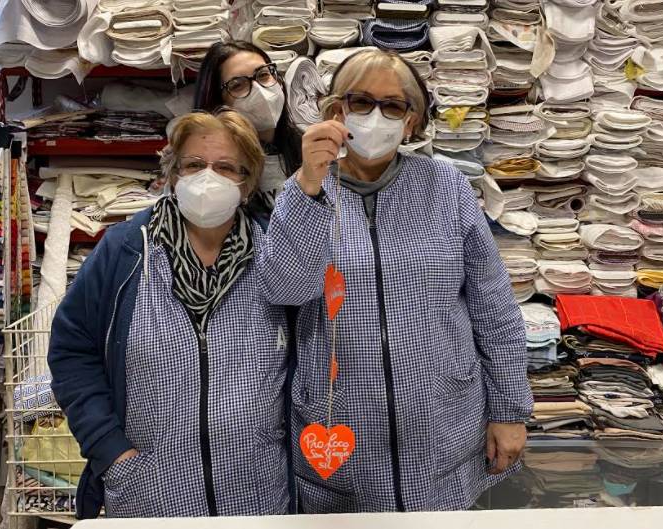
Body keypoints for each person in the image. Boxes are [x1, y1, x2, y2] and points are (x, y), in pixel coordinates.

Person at [257, 49, 533, 512]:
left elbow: (495, 309)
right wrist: (308, 183)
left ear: (411, 123)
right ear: (336, 111)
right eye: (361, 102)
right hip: (342, 434)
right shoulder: (304, 190)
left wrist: (509, 411)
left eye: (393, 105)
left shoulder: (447, 187)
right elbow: (283, 289)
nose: (376, 117)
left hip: (443, 425)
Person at [49, 110, 290, 519]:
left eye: (226, 167)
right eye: (194, 165)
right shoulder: (125, 251)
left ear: (247, 183)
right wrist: (111, 452)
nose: (207, 178)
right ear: (173, 175)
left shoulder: (277, 256)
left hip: (259, 493)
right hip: (150, 493)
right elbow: (72, 352)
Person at [194, 41, 302, 221]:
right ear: (218, 102)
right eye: (237, 85)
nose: (260, 91)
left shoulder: (303, 147)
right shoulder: (212, 168)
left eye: (263, 75)